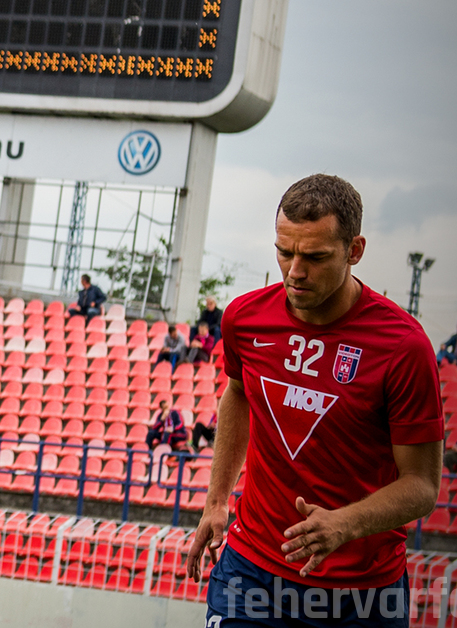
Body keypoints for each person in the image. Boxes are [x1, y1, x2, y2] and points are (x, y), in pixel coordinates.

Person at [188, 174, 442, 626]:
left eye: (315, 257)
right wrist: (216, 499)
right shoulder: (244, 318)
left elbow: (422, 486)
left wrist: (346, 523)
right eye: (284, 252)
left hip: (362, 594)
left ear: (354, 251)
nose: (295, 271)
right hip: (252, 571)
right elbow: (239, 394)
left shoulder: (404, 347)